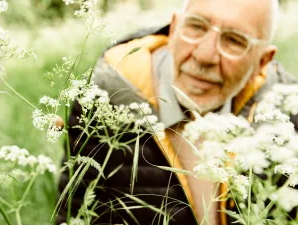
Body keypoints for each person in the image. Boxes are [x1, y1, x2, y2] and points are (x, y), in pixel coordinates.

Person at [57, 0, 298, 224]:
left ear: (262, 62)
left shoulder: (287, 118)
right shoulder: (103, 98)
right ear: (174, 29)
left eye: (234, 41)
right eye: (196, 27)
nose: (204, 55)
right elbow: (75, 214)